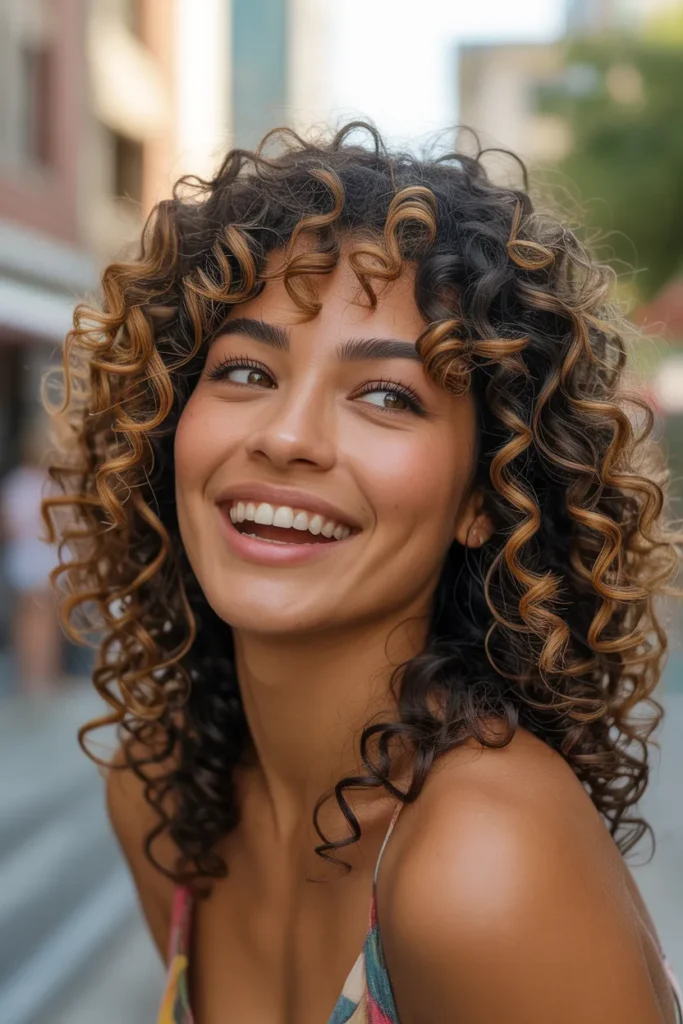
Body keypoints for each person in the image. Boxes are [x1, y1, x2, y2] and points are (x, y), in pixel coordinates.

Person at [44, 120, 683, 1023]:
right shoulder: (158, 802)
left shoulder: (484, 862)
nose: (287, 436)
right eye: (244, 371)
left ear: (485, 496)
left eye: (386, 395)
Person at [1, 418, 60, 694]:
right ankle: (43, 676)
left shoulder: (15, 483)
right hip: (41, 560)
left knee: (25, 618)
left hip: (23, 559)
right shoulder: (49, 486)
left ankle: (30, 675)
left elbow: (7, 527)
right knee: (44, 620)